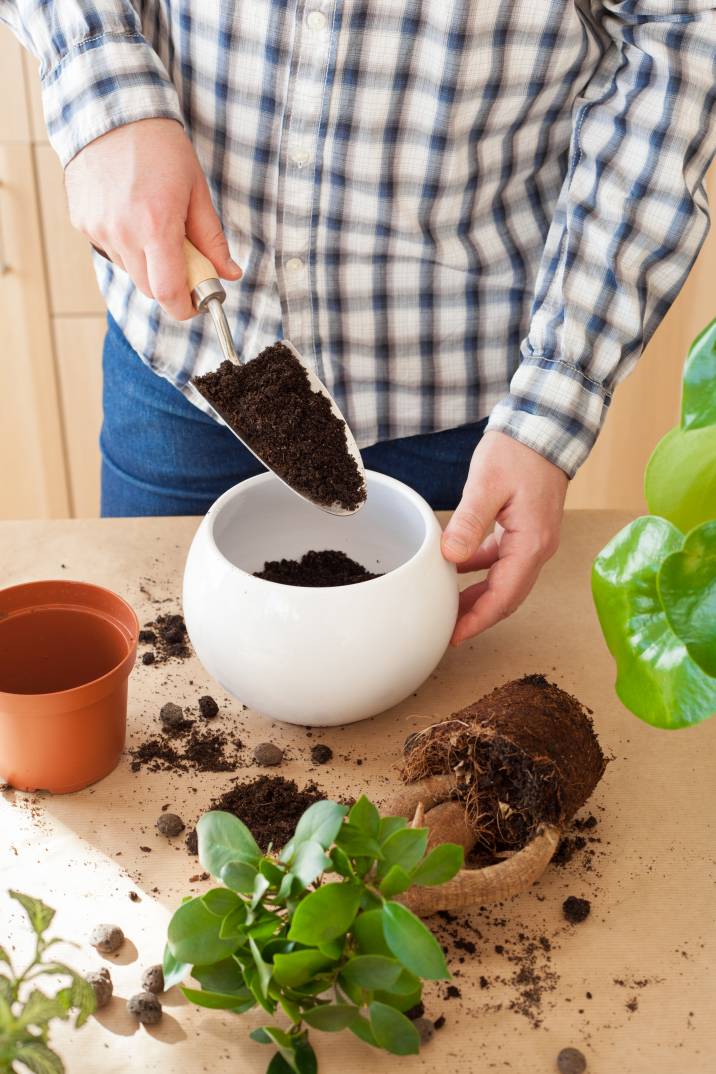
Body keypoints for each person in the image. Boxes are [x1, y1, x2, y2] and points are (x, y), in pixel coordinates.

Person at [3, 2, 714, 645]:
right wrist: (101, 82)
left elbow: (681, 31)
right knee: (157, 678)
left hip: (468, 419)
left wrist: (559, 395)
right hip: (181, 371)